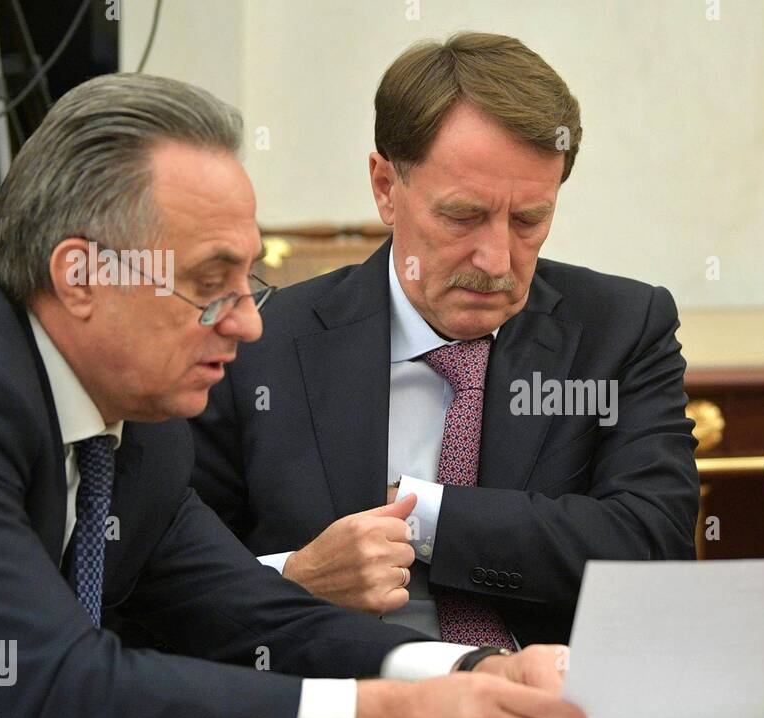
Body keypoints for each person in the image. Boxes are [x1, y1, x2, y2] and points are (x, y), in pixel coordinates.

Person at [0, 72, 586, 718]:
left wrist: (467, 672)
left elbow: (248, 614)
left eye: (246, 282)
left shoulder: (143, 400)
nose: (248, 323)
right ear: (80, 277)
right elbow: (66, 686)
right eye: (209, 285)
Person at [189, 33, 700, 648]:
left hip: (550, 708)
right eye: (462, 216)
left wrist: (421, 515)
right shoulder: (257, 343)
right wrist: (295, 578)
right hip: (344, 708)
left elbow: (653, 545)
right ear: (385, 187)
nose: (495, 260)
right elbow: (170, 583)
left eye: (529, 220)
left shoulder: (621, 328)